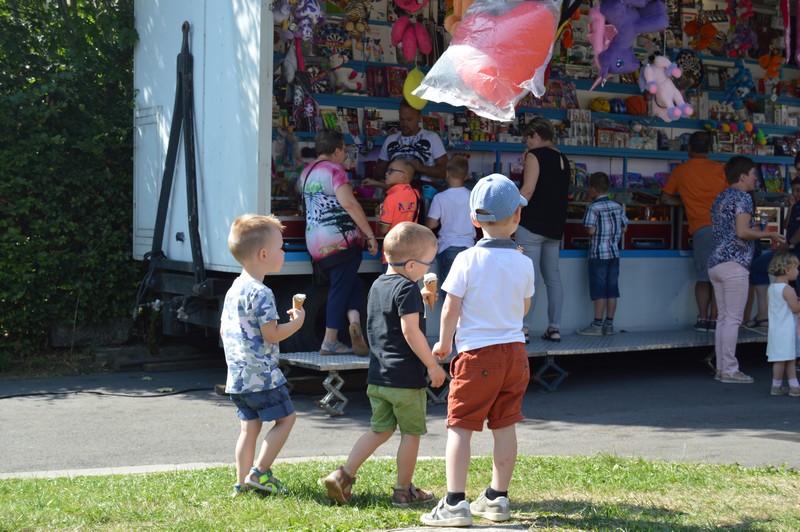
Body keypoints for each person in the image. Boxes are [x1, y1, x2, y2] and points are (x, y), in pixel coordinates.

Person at [421, 174, 535, 527]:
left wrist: (444, 342)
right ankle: (498, 498)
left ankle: (455, 503)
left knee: (461, 426)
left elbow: (450, 307)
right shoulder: (524, 261)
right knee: (505, 424)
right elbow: (525, 307)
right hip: (515, 354)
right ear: (517, 216)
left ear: (474, 219)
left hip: (477, 355)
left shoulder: (466, 260)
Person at [323, 222, 447, 506]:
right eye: (428, 263)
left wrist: (420, 299)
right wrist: (432, 365)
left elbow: (389, 315)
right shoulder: (408, 289)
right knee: (411, 434)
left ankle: (343, 475)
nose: (429, 268)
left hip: (379, 377)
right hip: (406, 380)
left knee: (380, 430)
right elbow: (410, 331)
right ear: (412, 265)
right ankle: (404, 490)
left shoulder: (378, 285)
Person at [220, 214, 306, 497]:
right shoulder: (262, 292)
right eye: (281, 247)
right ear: (264, 254)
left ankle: (241, 483)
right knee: (286, 419)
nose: (284, 252)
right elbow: (271, 334)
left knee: (249, 428)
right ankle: (260, 471)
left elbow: (225, 330)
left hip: (238, 378)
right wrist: (297, 323)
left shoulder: (234, 289)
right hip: (262, 376)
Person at [298, 130, 379, 356]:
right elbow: (350, 204)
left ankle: (354, 322)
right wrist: (370, 235)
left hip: (314, 240)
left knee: (351, 282)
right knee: (339, 289)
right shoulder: (334, 170)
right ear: (336, 151)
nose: (344, 155)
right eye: (344, 150)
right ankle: (330, 341)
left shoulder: (306, 172)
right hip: (339, 239)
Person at [708, 156, 784, 384]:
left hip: (716, 262)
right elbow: (742, 232)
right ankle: (730, 370)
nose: (755, 179)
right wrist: (768, 233)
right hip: (734, 264)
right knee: (732, 319)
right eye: (752, 175)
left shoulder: (721, 196)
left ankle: (722, 369)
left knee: (724, 319)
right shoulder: (742, 197)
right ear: (742, 176)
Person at [660, 131, 728, 332]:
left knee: (703, 277)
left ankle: (703, 319)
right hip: (724, 229)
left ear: (689, 148)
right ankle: (715, 320)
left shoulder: (681, 171)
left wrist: (685, 202)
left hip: (702, 229)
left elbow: (664, 198)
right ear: (710, 149)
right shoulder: (721, 169)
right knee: (720, 279)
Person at [516, 116, 569, 343]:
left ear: (536, 136)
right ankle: (554, 328)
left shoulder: (534, 155)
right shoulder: (563, 158)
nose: (526, 143)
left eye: (527, 138)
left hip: (531, 225)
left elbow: (527, 190)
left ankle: (524, 329)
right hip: (554, 228)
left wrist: (510, 211)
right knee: (553, 279)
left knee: (529, 279)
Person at [576, 172, 628, 336]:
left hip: (598, 255)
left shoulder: (593, 207)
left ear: (592, 189)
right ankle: (609, 325)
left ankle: (597, 325)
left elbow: (591, 230)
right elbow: (625, 228)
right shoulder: (617, 206)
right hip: (614, 254)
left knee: (599, 291)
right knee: (612, 290)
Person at [746, 175, 800, 328]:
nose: (795, 193)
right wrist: (791, 207)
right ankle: (764, 315)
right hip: (789, 250)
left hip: (793, 250)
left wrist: (789, 245)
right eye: (793, 190)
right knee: (758, 267)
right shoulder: (796, 205)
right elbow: (786, 225)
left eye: (798, 191)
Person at [362, 99, 448, 191]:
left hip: (423, 193)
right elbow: (378, 173)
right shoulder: (390, 140)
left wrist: (423, 168)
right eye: (402, 119)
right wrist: (391, 170)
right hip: (395, 193)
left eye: (409, 119)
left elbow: (446, 171)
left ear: (419, 117)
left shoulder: (432, 137)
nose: (404, 123)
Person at [425, 155, 476, 287]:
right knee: (467, 290)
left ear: (447, 173)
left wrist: (439, 222)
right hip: (470, 247)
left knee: (450, 290)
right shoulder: (473, 196)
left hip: (448, 246)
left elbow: (430, 224)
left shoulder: (440, 197)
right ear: (466, 176)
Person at [764, 252, 800, 397]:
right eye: (796, 268)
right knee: (786, 359)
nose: (797, 271)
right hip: (786, 329)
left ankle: (792, 385)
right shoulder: (788, 289)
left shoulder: (771, 288)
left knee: (785, 357)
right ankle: (778, 386)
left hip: (776, 329)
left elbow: (771, 307)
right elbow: (795, 308)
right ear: (787, 270)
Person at [377, 157, 421, 237]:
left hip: (394, 241)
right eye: (387, 170)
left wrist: (379, 219)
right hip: (411, 239)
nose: (386, 173)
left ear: (403, 176)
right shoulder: (415, 194)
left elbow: (384, 229)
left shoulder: (391, 198)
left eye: (391, 170)